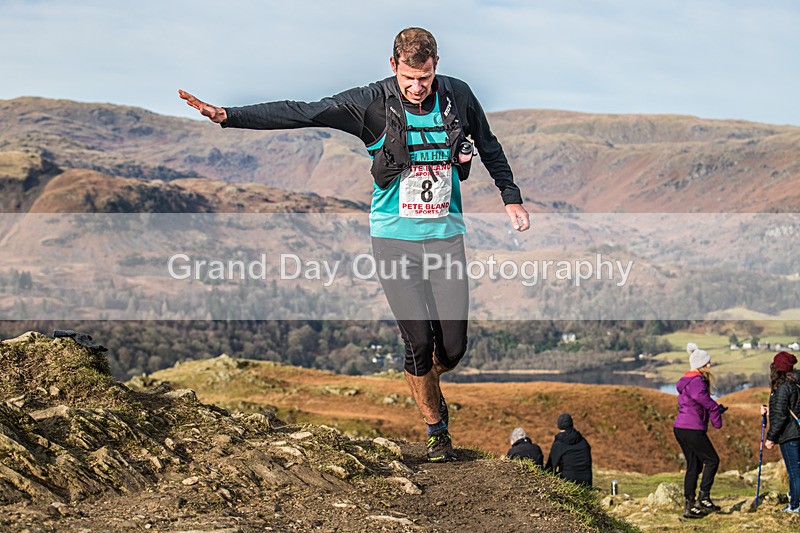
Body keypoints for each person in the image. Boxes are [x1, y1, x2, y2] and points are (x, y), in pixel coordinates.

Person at [179, 27, 530, 462]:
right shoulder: (370, 103)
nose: (417, 88)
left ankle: (426, 381)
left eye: (424, 78)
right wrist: (229, 115)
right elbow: (304, 111)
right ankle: (437, 430)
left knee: (452, 350)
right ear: (393, 67)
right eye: (408, 79)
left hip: (446, 239)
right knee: (418, 343)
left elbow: (490, 146)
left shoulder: (457, 96)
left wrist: (510, 198)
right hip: (393, 240)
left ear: (436, 66)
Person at [673, 342, 724, 519]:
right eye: (707, 363)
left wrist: (713, 410)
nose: (710, 365)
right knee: (712, 460)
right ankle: (703, 499)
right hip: (691, 429)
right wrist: (716, 412)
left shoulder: (689, 380)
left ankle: (690, 506)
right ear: (700, 365)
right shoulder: (697, 382)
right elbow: (703, 399)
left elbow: (697, 404)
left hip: (681, 427)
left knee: (694, 465)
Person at [763, 351, 800, 513]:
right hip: (797, 432)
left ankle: (795, 505)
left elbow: (780, 416)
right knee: (797, 470)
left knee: (794, 472)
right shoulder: (795, 384)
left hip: (789, 435)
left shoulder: (782, 387)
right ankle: (795, 500)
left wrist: (771, 437)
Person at [544, 413, 592, 486]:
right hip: (586, 483)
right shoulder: (583, 441)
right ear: (571, 424)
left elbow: (550, 468)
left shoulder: (559, 444)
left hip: (568, 482)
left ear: (559, 426)